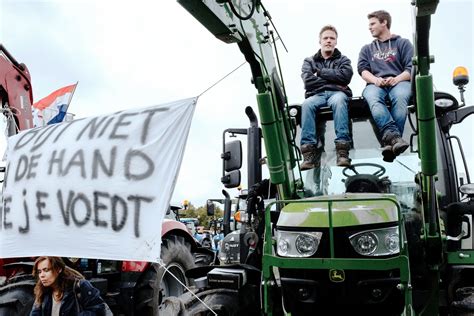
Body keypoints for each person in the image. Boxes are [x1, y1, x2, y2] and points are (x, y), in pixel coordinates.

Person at [358, 10, 414, 162]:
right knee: (372, 97)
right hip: (375, 84)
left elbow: (411, 69)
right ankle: (395, 138)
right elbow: (362, 70)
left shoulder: (403, 43)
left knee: (401, 96)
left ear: (384, 23)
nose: (370, 27)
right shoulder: (367, 49)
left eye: (373, 24)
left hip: (400, 81)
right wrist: (376, 80)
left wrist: (396, 79)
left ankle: (388, 143)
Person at [300, 25, 353, 170]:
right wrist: (334, 79)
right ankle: (309, 154)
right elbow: (307, 81)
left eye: (332, 38)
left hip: (337, 94)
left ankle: (342, 151)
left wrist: (320, 73)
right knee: (306, 105)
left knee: (340, 101)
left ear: (336, 42)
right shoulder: (309, 61)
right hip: (317, 95)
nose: (328, 41)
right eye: (326, 38)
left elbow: (346, 76)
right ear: (320, 41)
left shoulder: (344, 60)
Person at [30, 256, 108, 316]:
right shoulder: (42, 291)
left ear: (58, 269)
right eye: (39, 272)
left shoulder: (79, 286)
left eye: (46, 270)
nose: (41, 275)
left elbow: (98, 311)